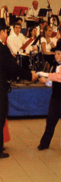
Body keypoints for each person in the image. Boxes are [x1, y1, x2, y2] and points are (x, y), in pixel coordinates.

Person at [0, 18, 37, 158]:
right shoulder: (2, 49)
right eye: (5, 32)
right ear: (2, 32)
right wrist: (29, 75)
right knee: (0, 115)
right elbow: (13, 68)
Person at [37, 40, 61, 150]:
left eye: (59, 54)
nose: (56, 56)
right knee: (50, 121)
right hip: (54, 98)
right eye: (55, 54)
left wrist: (48, 78)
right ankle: (44, 143)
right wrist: (45, 81)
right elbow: (51, 82)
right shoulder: (54, 66)